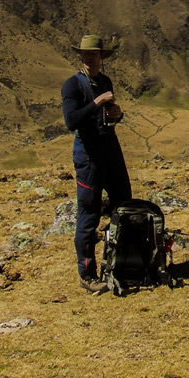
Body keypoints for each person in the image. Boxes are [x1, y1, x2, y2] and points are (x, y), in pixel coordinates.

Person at [62, 34, 132, 293]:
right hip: (88, 156)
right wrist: (97, 102)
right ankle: (88, 275)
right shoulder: (72, 85)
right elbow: (71, 121)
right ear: (81, 56)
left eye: (94, 53)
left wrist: (117, 114)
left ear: (102, 56)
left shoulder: (105, 82)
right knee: (89, 215)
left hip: (111, 153)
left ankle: (120, 263)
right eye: (86, 54)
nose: (90, 58)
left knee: (123, 206)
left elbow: (106, 119)